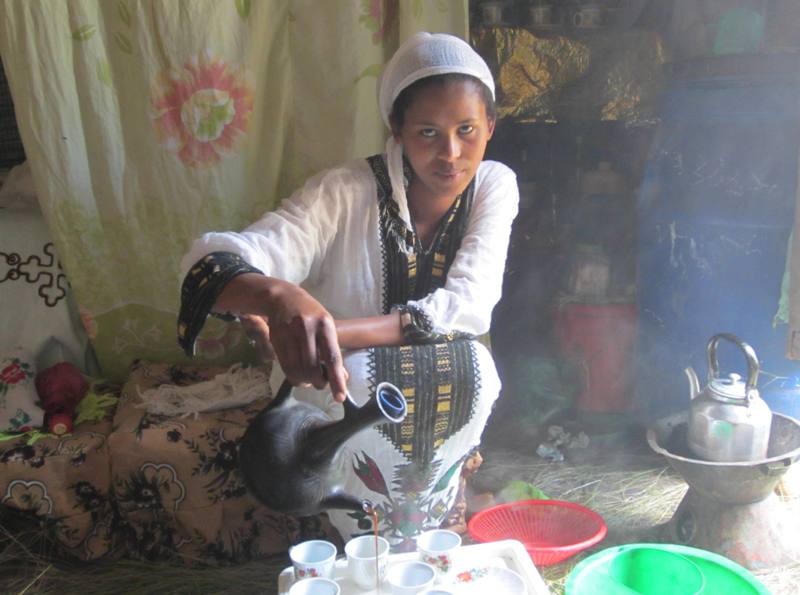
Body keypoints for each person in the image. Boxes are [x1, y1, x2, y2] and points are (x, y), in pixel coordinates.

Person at [177, 32, 519, 548]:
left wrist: (332, 330)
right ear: (397, 129)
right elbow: (213, 261)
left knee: (472, 365)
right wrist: (277, 298)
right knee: (356, 379)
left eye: (467, 130)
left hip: (438, 389)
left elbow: (469, 306)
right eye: (428, 132)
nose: (451, 154)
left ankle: (428, 528)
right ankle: (365, 547)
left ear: (490, 127)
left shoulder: (494, 184)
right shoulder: (342, 191)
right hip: (338, 390)